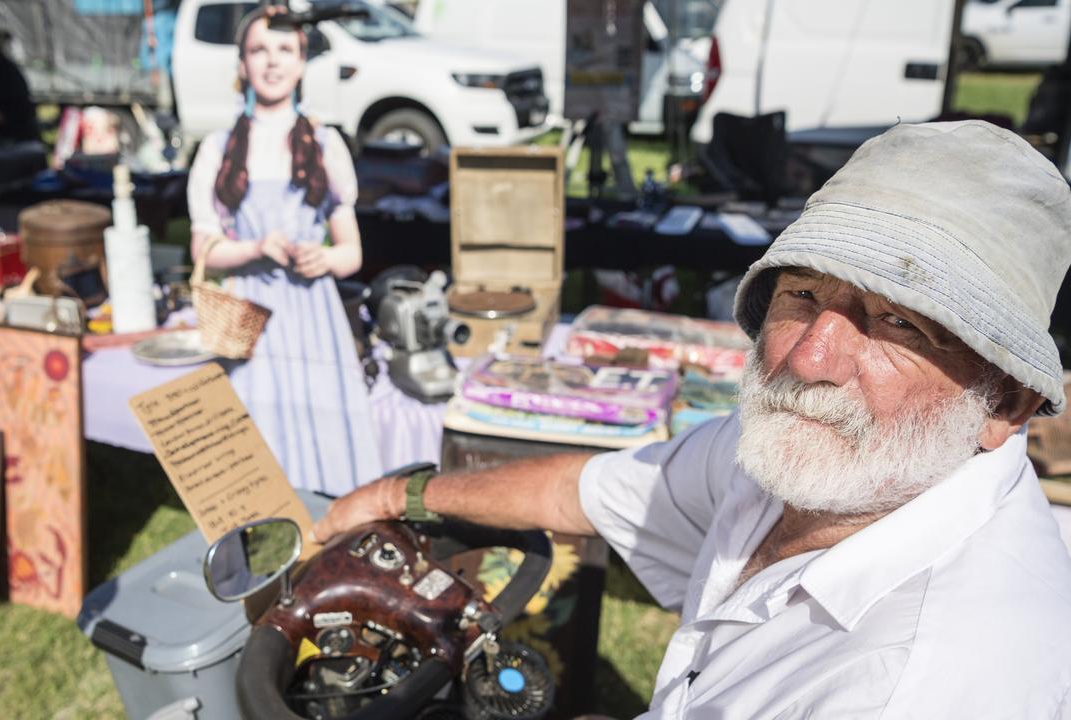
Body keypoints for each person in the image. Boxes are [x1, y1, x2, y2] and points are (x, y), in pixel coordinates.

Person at [314, 120, 1071, 717]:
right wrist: (397, 497)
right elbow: (579, 490)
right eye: (802, 295)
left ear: (1002, 403)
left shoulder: (924, 683)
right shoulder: (803, 462)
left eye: (900, 325)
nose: (810, 360)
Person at [187, 7, 381, 496]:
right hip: (250, 320)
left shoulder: (324, 143)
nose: (272, 63)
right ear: (242, 64)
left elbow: (351, 250)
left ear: (301, 63)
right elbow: (203, 249)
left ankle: (327, 550)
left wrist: (326, 259)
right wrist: (254, 247)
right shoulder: (219, 147)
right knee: (252, 452)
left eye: (284, 50)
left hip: (314, 319)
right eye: (258, 50)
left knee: (327, 442)